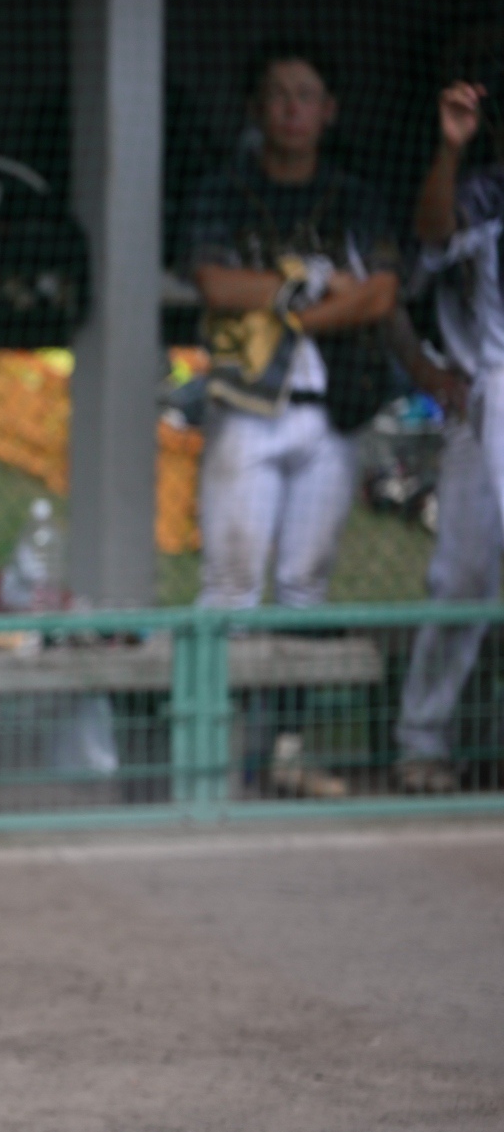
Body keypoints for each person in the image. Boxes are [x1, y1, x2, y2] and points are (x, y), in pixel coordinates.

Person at [185, 42, 399, 798]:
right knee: (231, 585)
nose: (292, 109)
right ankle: (206, 757)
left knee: (304, 587)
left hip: (329, 415)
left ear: (329, 110)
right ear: (255, 108)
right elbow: (215, 282)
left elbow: (380, 294)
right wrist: (306, 283)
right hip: (247, 408)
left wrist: (293, 313)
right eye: (278, 95)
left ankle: (282, 753)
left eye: (306, 95)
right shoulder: (225, 189)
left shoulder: (352, 195)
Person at [394, 73, 504, 794]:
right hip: (488, 393)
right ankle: (422, 742)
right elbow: (434, 233)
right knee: (461, 580)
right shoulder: (486, 190)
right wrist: (450, 149)